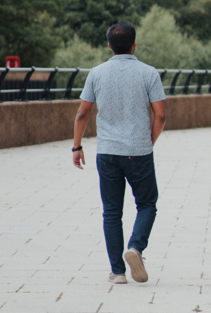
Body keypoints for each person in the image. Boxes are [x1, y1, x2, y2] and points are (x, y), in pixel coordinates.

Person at [72, 21, 167, 285]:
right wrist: (149, 141)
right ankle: (135, 247)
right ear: (134, 45)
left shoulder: (97, 73)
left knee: (112, 212)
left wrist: (77, 146)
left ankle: (118, 272)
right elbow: (160, 115)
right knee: (147, 204)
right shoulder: (149, 73)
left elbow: (82, 113)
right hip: (139, 151)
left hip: (107, 152)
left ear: (109, 46)